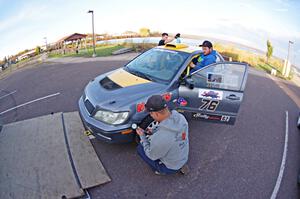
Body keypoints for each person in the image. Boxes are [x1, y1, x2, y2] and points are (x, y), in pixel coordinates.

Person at [136, 95, 189, 175]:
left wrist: (142, 136)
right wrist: (154, 131)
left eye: (151, 114)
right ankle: (179, 165)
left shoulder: (162, 138)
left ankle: (161, 170)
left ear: (156, 114)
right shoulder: (180, 118)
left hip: (172, 167)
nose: (151, 116)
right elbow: (167, 128)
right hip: (183, 157)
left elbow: (152, 155)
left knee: (140, 148)